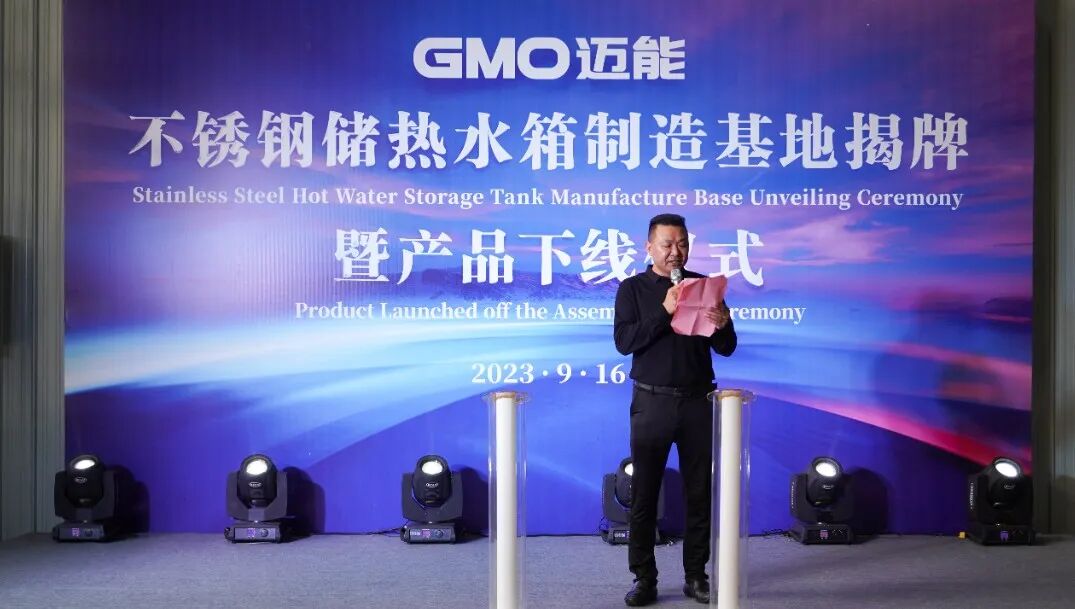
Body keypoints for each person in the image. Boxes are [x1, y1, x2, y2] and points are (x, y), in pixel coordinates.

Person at [613, 213, 737, 606]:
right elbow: (624, 341)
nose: (675, 252)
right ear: (649, 247)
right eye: (667, 244)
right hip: (651, 403)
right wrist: (664, 311)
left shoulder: (704, 286)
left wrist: (723, 323)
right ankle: (644, 578)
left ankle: (696, 575)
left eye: (682, 243)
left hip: (698, 402)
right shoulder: (632, 289)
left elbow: (727, 348)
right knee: (645, 494)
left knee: (699, 493)